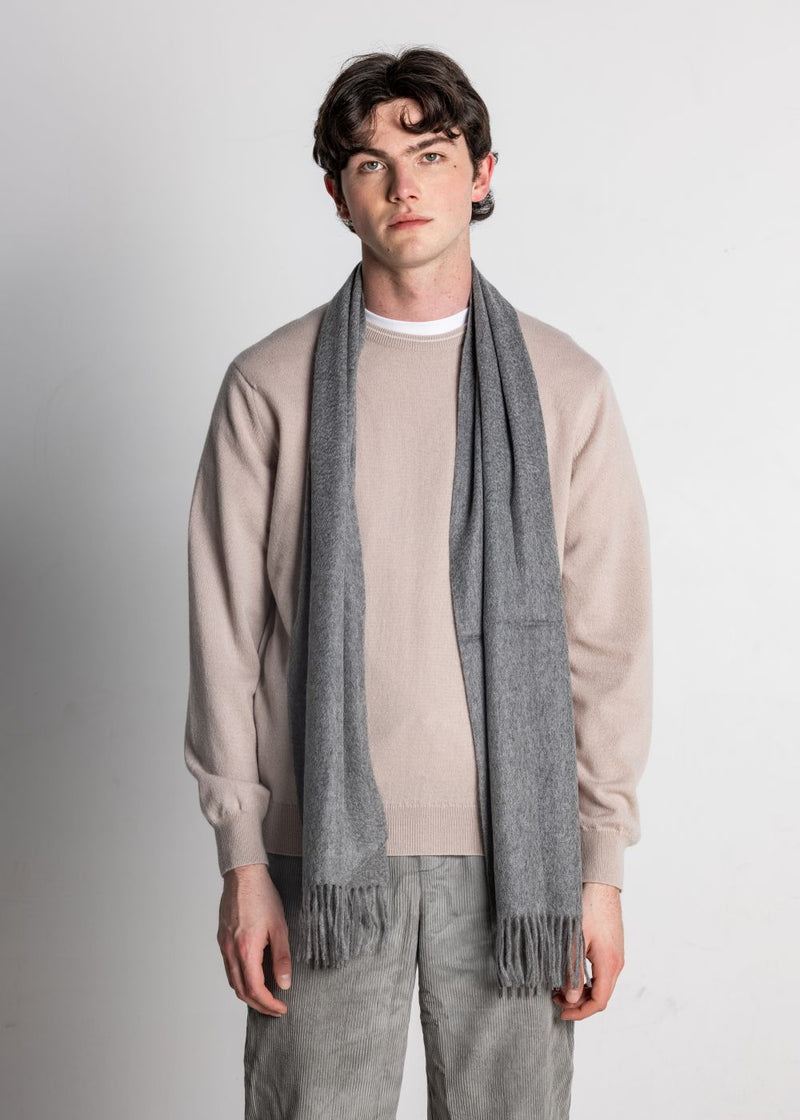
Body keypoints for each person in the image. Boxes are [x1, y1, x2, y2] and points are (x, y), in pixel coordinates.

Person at [184, 45, 653, 1119]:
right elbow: (224, 639)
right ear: (336, 193)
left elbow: (608, 644)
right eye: (370, 163)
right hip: (319, 854)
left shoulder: (565, 386)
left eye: (431, 154)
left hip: (517, 858)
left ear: (480, 172)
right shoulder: (269, 384)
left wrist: (600, 868)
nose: (403, 186)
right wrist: (242, 859)